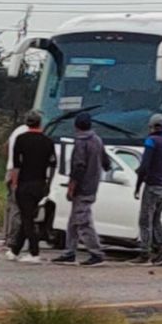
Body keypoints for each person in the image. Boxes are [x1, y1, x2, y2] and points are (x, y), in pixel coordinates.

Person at [54, 111, 109, 266]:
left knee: (82, 221)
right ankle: (69, 251)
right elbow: (107, 162)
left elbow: (78, 166)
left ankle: (96, 252)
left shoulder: (80, 142)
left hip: (83, 187)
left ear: (76, 126)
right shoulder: (97, 140)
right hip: (93, 184)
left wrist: (71, 187)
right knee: (73, 221)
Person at [7, 110, 57, 263]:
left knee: (27, 218)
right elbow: (53, 164)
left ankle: (34, 252)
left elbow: (16, 165)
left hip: (25, 183)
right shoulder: (48, 141)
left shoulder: (21, 140)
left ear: (27, 123)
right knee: (27, 215)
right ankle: (15, 250)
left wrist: (14, 183)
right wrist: (49, 183)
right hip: (40, 183)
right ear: (40, 123)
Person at [133, 114, 162, 265]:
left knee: (145, 220)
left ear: (151, 126)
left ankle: (145, 253)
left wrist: (138, 185)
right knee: (156, 219)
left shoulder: (151, 141)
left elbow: (145, 166)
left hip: (153, 186)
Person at [2, 117, 27, 252]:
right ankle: (13, 238)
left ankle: (7, 235)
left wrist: (9, 162)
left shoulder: (17, 131)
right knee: (17, 207)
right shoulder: (27, 134)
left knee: (11, 206)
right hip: (18, 172)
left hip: (9, 170)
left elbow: (5, 147)